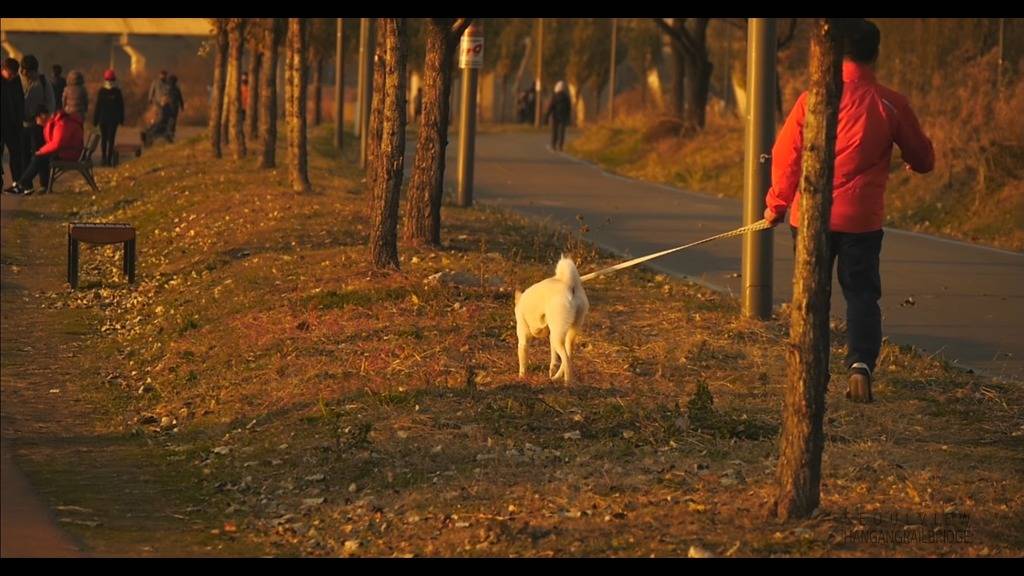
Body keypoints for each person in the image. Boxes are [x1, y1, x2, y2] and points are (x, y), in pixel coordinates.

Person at [762, 19, 934, 403]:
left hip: (809, 217)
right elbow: (923, 158)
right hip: (861, 220)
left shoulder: (812, 99)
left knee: (812, 295)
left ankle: (812, 369)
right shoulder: (890, 103)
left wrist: (776, 203)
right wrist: (913, 157)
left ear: (835, 53)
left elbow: (787, 156)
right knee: (860, 294)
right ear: (875, 54)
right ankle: (860, 366)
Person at [6, 104, 84, 195]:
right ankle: (36, 184)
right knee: (41, 156)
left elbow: (57, 143)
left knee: (39, 157)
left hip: (68, 154)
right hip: (70, 152)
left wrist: (41, 151)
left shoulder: (62, 124)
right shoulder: (65, 122)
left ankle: (22, 185)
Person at [19, 55, 56, 189]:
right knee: (24, 156)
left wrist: (43, 117)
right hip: (23, 124)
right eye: (23, 71)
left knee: (39, 155)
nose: (25, 74)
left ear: (34, 71)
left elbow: (51, 104)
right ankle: (27, 185)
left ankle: (44, 184)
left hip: (38, 126)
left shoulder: (43, 82)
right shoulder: (20, 81)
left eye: (28, 72)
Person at [94, 69, 125, 166]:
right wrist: (121, 119)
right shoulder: (117, 91)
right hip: (113, 119)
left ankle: (103, 158)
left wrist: (95, 119)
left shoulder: (102, 91)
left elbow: (98, 106)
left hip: (103, 119)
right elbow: (121, 106)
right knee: (111, 139)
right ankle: (108, 159)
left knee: (104, 138)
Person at [1, 58, 25, 184]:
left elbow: (20, 101)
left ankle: (17, 181)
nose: (12, 77)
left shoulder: (16, 81)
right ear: (3, 70)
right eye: (10, 74)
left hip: (13, 125)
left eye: (14, 75)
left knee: (16, 154)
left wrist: (20, 120)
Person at [544, 80, 571, 151]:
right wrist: (568, 116)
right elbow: (569, 108)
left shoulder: (555, 96)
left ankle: (553, 145)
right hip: (563, 116)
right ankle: (560, 146)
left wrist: (546, 116)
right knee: (562, 132)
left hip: (555, 116)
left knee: (554, 131)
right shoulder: (566, 97)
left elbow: (551, 106)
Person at [167, 74, 185, 140]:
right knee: (171, 120)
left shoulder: (174, 89)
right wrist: (182, 106)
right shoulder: (172, 89)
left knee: (172, 120)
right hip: (171, 107)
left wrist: (182, 106)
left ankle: (170, 132)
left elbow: (180, 98)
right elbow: (180, 98)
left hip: (172, 107)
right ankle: (170, 132)